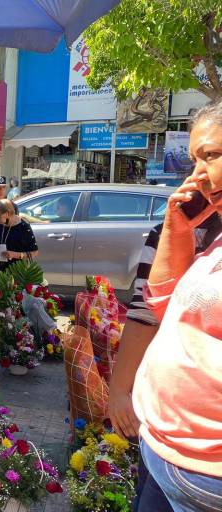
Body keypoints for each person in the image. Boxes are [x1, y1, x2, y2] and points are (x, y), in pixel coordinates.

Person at [131, 100, 222, 511]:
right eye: (194, 160)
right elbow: (163, 302)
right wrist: (175, 226)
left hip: (206, 472)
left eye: (212, 156)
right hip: (166, 450)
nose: (198, 175)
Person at [109, 215, 221, 512]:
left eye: (208, 164)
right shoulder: (180, 225)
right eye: (194, 164)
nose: (197, 177)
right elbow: (149, 309)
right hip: (162, 441)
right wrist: (119, 390)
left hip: (207, 465)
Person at [0, 199, 38, 273]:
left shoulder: (23, 226)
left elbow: (34, 252)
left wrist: (15, 255)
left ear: (7, 213)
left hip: (15, 271)